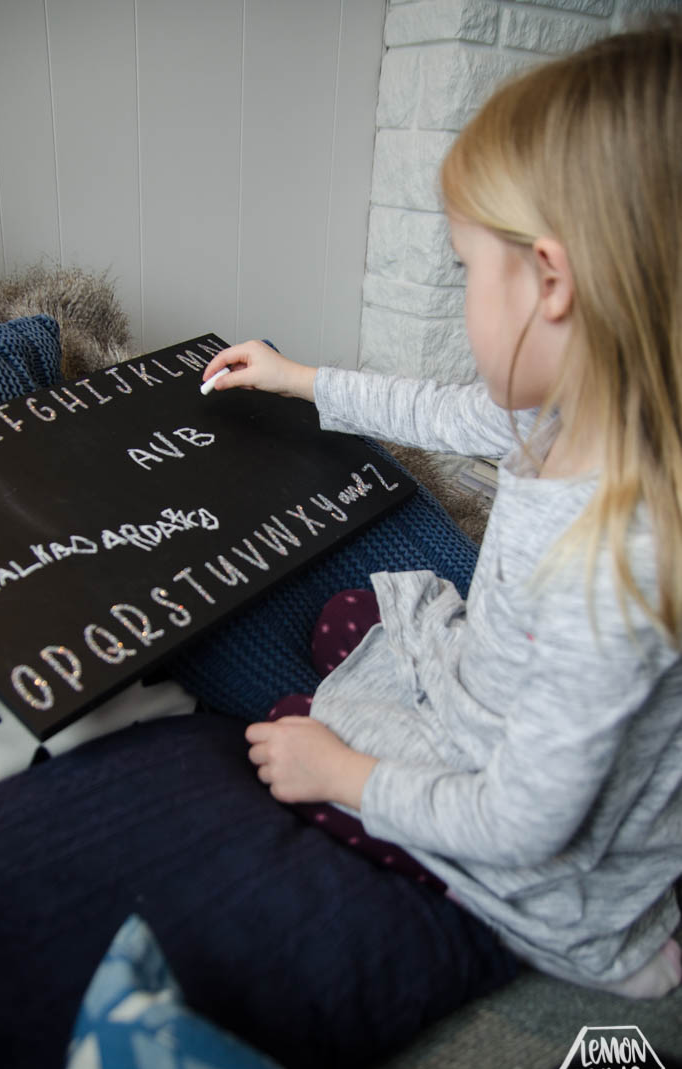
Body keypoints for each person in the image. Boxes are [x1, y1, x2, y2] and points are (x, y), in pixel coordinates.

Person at [200, 17, 682, 999]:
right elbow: (440, 409)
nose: (463, 292)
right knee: (355, 616)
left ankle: (609, 952)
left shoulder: (611, 575)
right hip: (500, 698)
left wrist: (341, 775)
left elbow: (524, 824)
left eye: (467, 269)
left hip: (548, 862)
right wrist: (302, 379)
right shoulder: (569, 417)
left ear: (551, 280)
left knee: (291, 732)